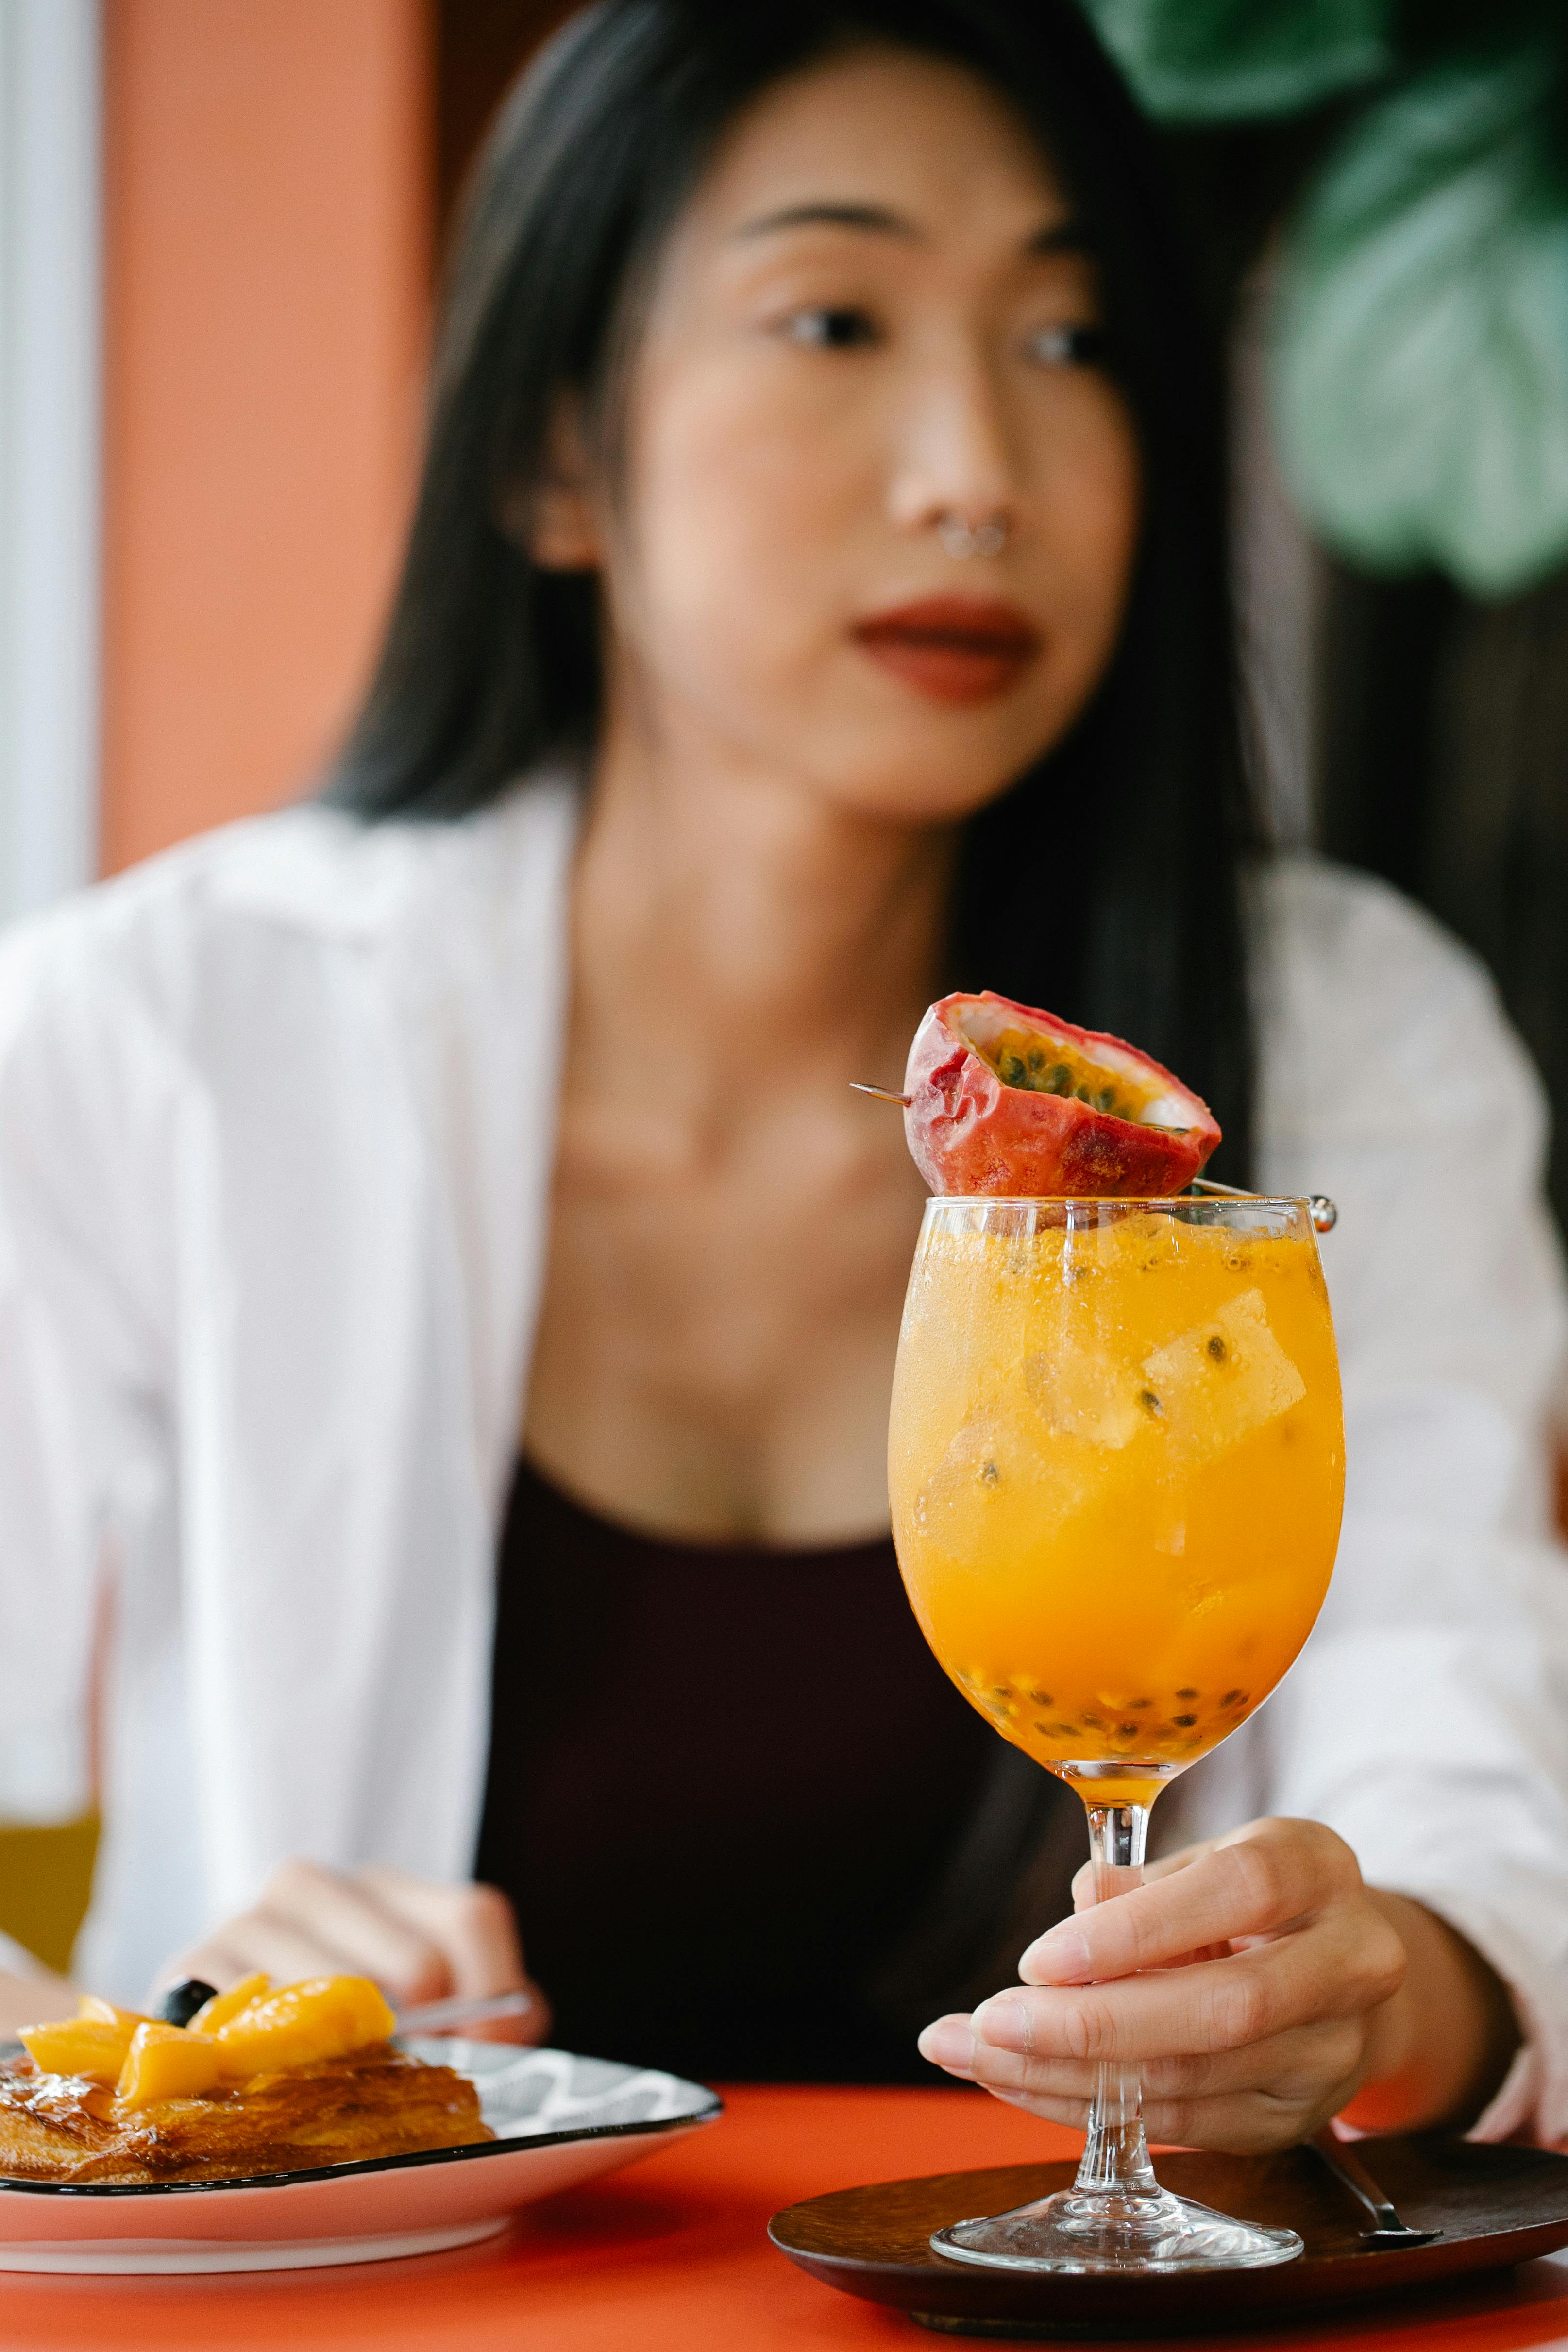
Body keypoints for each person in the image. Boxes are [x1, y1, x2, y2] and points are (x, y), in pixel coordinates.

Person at [1, 0, 1565, 2149]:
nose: (975, 477)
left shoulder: (1353, 1036)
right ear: (556, 450)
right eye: (833, 319)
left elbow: (1469, 1787)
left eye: (1072, 343)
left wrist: (1397, 1987)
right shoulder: (156, 1031)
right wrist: (193, 2005)